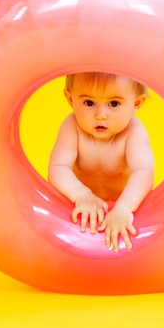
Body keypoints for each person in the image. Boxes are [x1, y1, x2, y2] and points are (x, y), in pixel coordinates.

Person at [48, 72, 154, 252]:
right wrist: (82, 195)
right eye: (89, 103)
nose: (101, 115)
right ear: (70, 99)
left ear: (136, 103)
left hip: (124, 205)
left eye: (114, 103)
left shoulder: (134, 132)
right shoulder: (71, 126)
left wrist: (124, 208)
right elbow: (58, 167)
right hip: (81, 205)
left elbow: (143, 172)